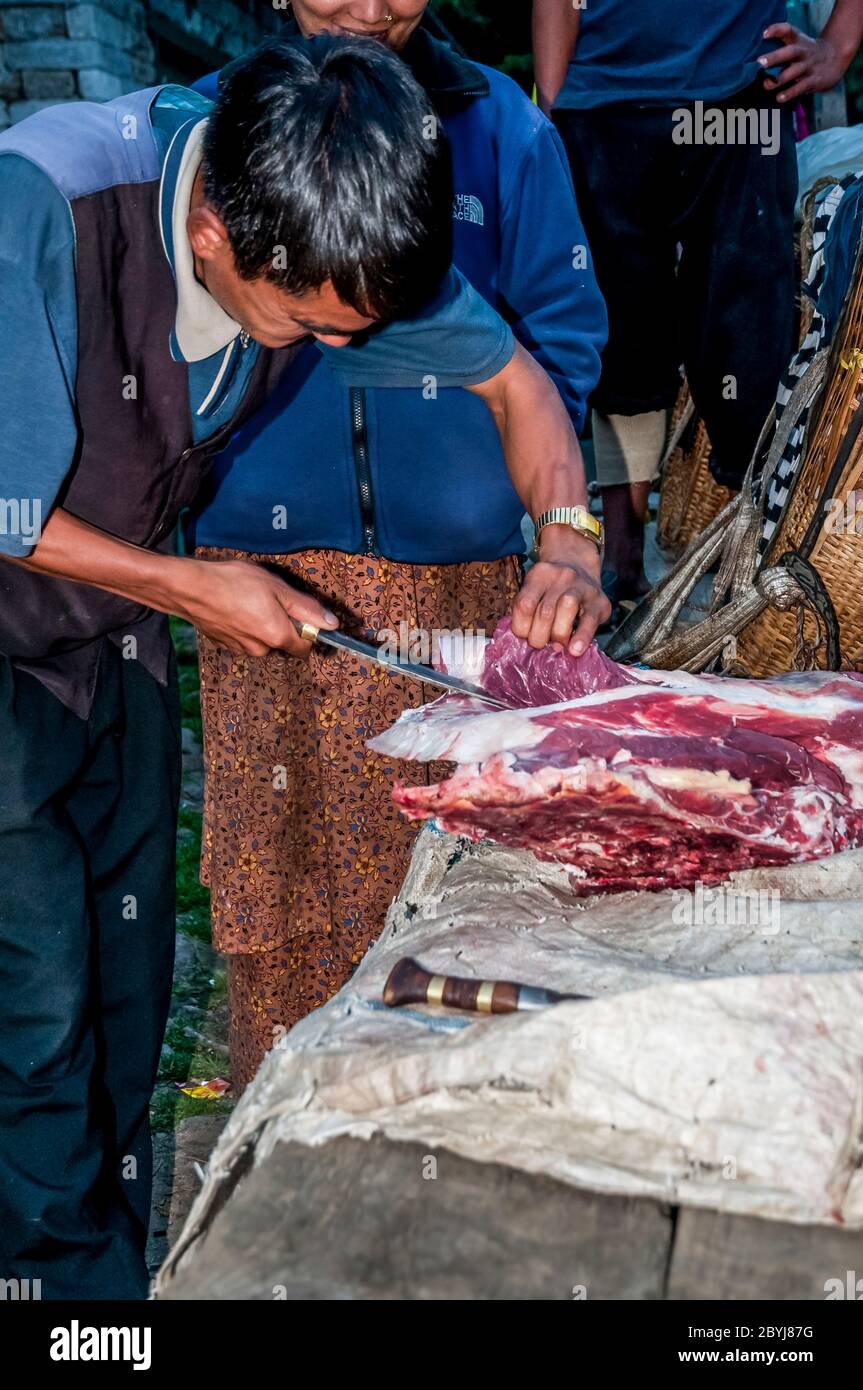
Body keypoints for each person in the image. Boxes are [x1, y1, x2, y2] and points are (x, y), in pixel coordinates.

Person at [0, 34, 606, 1299]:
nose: (333, 348)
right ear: (215, 232)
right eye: (305, 326)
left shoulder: (329, 217)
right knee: (35, 1016)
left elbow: (512, 385)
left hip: (106, 645)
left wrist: (567, 541)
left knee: (121, 996)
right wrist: (191, 584)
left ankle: (112, 1276)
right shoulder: (44, 200)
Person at [186, 1, 608, 1090]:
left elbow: (557, 336)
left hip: (461, 591)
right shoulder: (227, 135)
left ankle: (428, 1136)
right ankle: (276, 1148)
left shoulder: (503, 126)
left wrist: (555, 529)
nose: (372, 8)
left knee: (450, 894)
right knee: (271, 898)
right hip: (259, 584)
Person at [533, 0, 863, 601]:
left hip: (741, 97)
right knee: (621, 332)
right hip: (601, 105)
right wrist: (554, 111)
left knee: (747, 332)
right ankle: (622, 550)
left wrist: (837, 45)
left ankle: (750, 549)